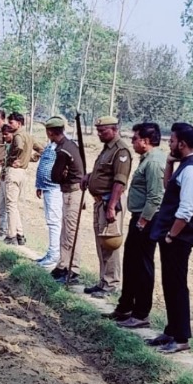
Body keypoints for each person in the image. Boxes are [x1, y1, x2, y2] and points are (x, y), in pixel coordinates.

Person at [146, 122, 193, 354]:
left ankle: (181, 338)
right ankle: (171, 331)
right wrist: (170, 164)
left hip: (178, 238)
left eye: (171, 141)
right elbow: (168, 187)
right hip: (172, 236)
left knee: (177, 286)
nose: (168, 144)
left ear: (182, 143)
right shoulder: (184, 166)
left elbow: (186, 210)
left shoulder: (192, 170)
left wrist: (172, 235)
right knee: (170, 284)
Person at [111, 123, 166, 328]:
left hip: (148, 220)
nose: (132, 142)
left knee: (142, 266)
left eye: (135, 139)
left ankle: (141, 313)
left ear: (145, 140)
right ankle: (125, 307)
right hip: (140, 217)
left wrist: (143, 221)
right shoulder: (147, 159)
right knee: (131, 263)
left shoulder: (154, 162)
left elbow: (155, 196)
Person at [82, 116, 133, 298]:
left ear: (114, 129)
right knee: (101, 243)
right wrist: (89, 176)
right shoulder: (107, 149)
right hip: (100, 202)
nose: (99, 134)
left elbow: (120, 181)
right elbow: (103, 173)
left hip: (110, 203)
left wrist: (111, 206)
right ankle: (103, 281)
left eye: (103, 131)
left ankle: (111, 284)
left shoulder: (121, 151)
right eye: (98, 131)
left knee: (110, 243)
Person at [46, 117, 85, 285]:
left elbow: (54, 176)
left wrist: (60, 176)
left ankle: (72, 269)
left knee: (70, 232)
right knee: (66, 231)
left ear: (50, 132)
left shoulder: (63, 151)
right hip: (71, 191)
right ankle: (63, 265)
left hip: (72, 193)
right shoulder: (69, 145)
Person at [2, 113, 42, 245]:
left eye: (12, 122)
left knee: (10, 205)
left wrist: (13, 158)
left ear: (19, 123)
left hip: (13, 171)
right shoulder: (29, 136)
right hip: (23, 173)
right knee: (14, 205)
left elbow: (18, 147)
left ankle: (11, 235)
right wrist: (31, 158)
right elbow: (41, 149)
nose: (9, 124)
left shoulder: (18, 136)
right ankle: (20, 234)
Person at [34, 120, 62, 267]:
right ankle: (51, 253)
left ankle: (54, 255)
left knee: (54, 222)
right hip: (46, 187)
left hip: (55, 189)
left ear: (50, 131)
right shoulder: (51, 145)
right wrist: (39, 185)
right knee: (51, 221)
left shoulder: (62, 146)